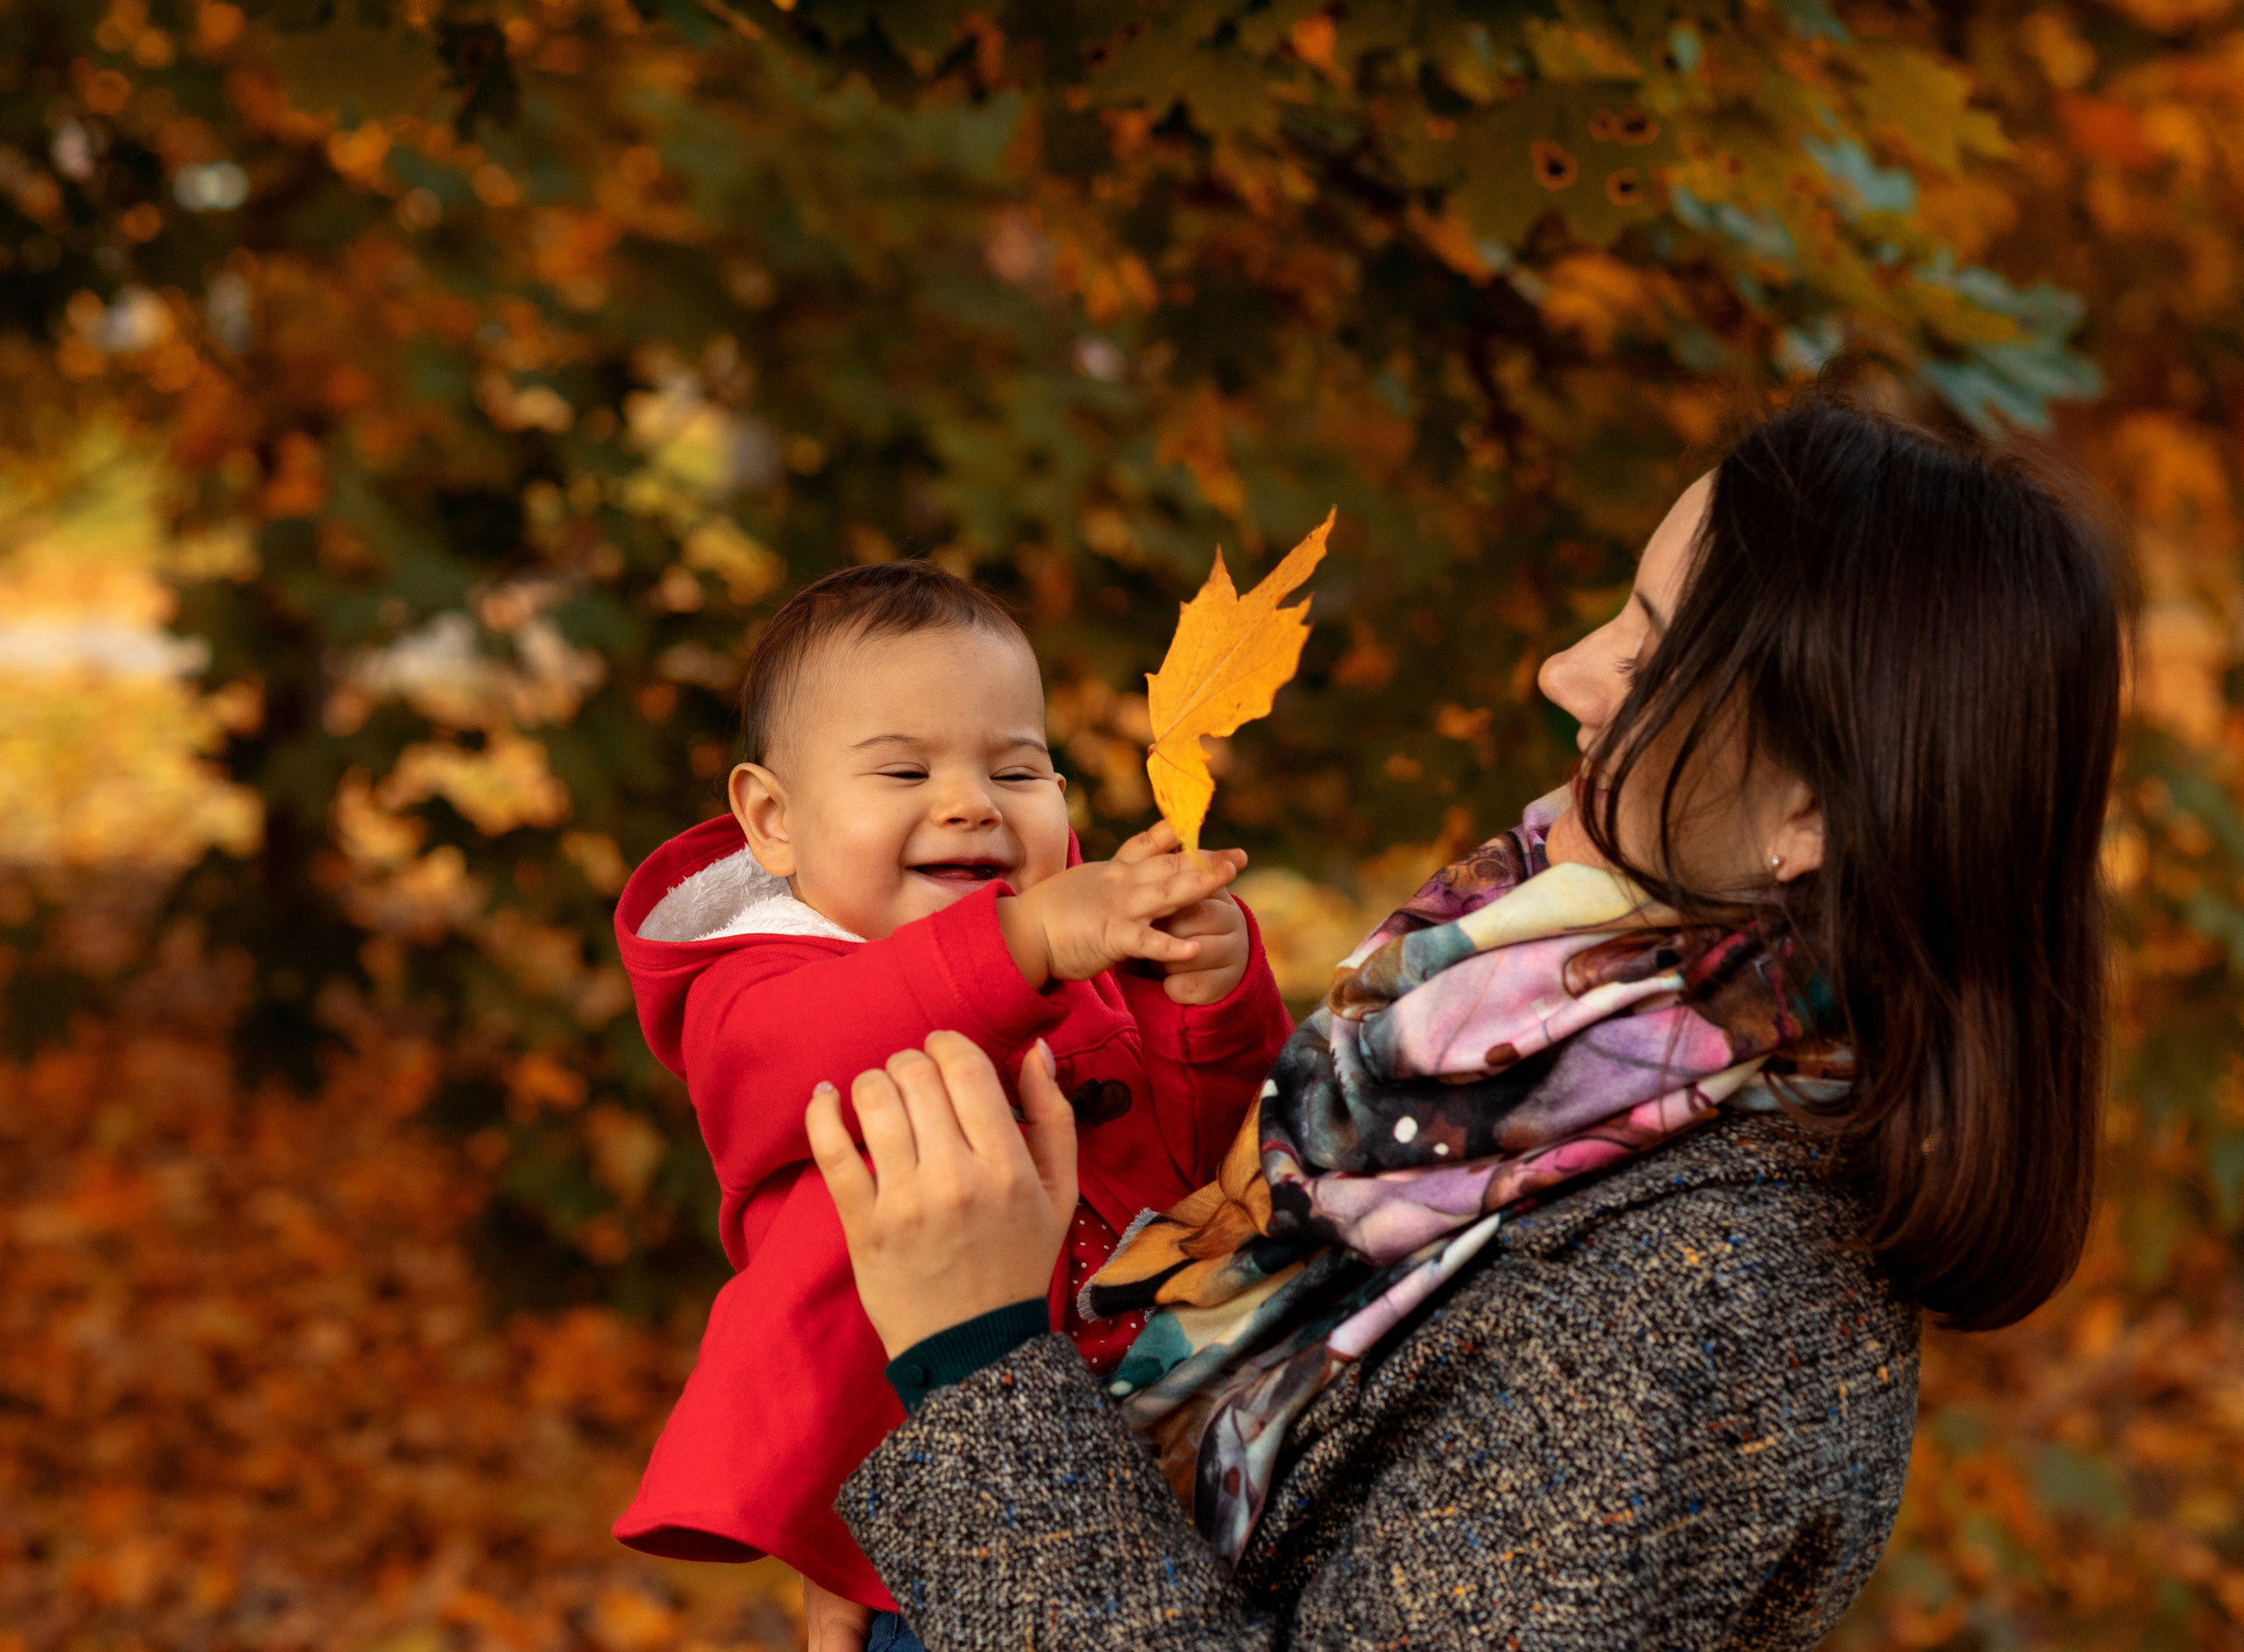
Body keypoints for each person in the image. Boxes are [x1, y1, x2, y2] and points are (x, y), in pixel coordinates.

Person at [803, 399, 2124, 1649]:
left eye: (1651, 644)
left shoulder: (1714, 1307)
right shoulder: (1514, 1029)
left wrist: (974, 1362)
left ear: (1815, 814)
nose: (1564, 672)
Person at [607, 564, 1293, 1625]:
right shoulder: (753, 988)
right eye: (903, 771)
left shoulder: (1070, 949)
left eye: (1018, 772)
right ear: (773, 818)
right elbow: (830, 1038)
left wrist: (1209, 1004)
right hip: (932, 1500)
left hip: (1150, 1465)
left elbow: (1215, 1170)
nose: (970, 803)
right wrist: (1027, 942)